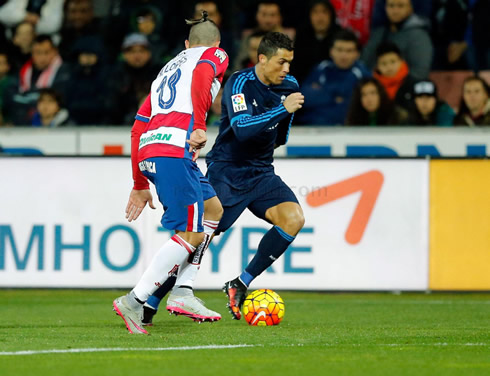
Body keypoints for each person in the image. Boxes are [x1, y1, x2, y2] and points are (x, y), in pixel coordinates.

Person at [141, 31, 305, 324]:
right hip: (228, 170)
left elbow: (282, 135)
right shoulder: (239, 82)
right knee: (199, 238)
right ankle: (150, 299)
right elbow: (241, 128)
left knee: (293, 218)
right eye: (281, 62)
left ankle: (239, 284)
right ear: (263, 59)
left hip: (262, 171)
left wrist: (281, 115)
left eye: (290, 63)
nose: (286, 69)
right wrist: (281, 109)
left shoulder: (289, 86)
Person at [112, 11, 229, 334]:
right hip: (176, 148)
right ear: (216, 44)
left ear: (186, 43)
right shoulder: (212, 55)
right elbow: (205, 72)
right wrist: (202, 126)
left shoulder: (166, 69)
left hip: (153, 149)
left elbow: (138, 127)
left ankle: (182, 290)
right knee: (190, 233)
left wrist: (139, 182)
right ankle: (135, 300)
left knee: (213, 210)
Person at [297, 29, 370, 125]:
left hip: (348, 130)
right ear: (331, 51)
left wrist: (321, 91)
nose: (343, 55)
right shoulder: (321, 68)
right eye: (339, 50)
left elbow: (359, 108)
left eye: (349, 51)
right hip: (312, 128)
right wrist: (335, 96)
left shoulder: (362, 74)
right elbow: (304, 98)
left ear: (357, 54)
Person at [361, 0, 433, 80]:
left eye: (401, 6)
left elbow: (420, 72)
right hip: (375, 87)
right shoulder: (379, 33)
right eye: (391, 6)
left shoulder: (419, 36)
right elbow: (365, 63)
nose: (395, 11)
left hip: (404, 88)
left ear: (411, 8)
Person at [106, 33, 161, 125]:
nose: (137, 55)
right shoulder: (115, 75)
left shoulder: (160, 73)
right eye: (132, 51)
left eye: (141, 51)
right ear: (124, 54)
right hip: (119, 126)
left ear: (149, 53)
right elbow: (110, 106)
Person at [291, 0, 342, 84]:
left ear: (331, 15)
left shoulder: (339, 36)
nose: (320, 17)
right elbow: (296, 67)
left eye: (324, 12)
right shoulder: (302, 35)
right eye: (315, 12)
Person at [373, 42, 417, 110]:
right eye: (384, 64)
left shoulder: (413, 85)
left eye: (393, 61)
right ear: (377, 66)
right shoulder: (373, 87)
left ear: (402, 61)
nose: (389, 67)